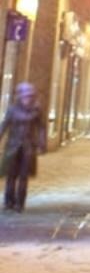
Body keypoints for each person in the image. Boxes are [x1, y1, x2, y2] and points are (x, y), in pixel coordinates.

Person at [1, 82, 46, 212]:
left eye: (30, 96)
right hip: (13, 146)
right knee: (11, 175)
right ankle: (9, 201)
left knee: (23, 176)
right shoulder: (12, 110)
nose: (27, 99)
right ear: (20, 97)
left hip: (28, 147)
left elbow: (41, 127)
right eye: (25, 96)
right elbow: (4, 125)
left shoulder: (36, 110)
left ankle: (20, 203)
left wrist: (42, 143)